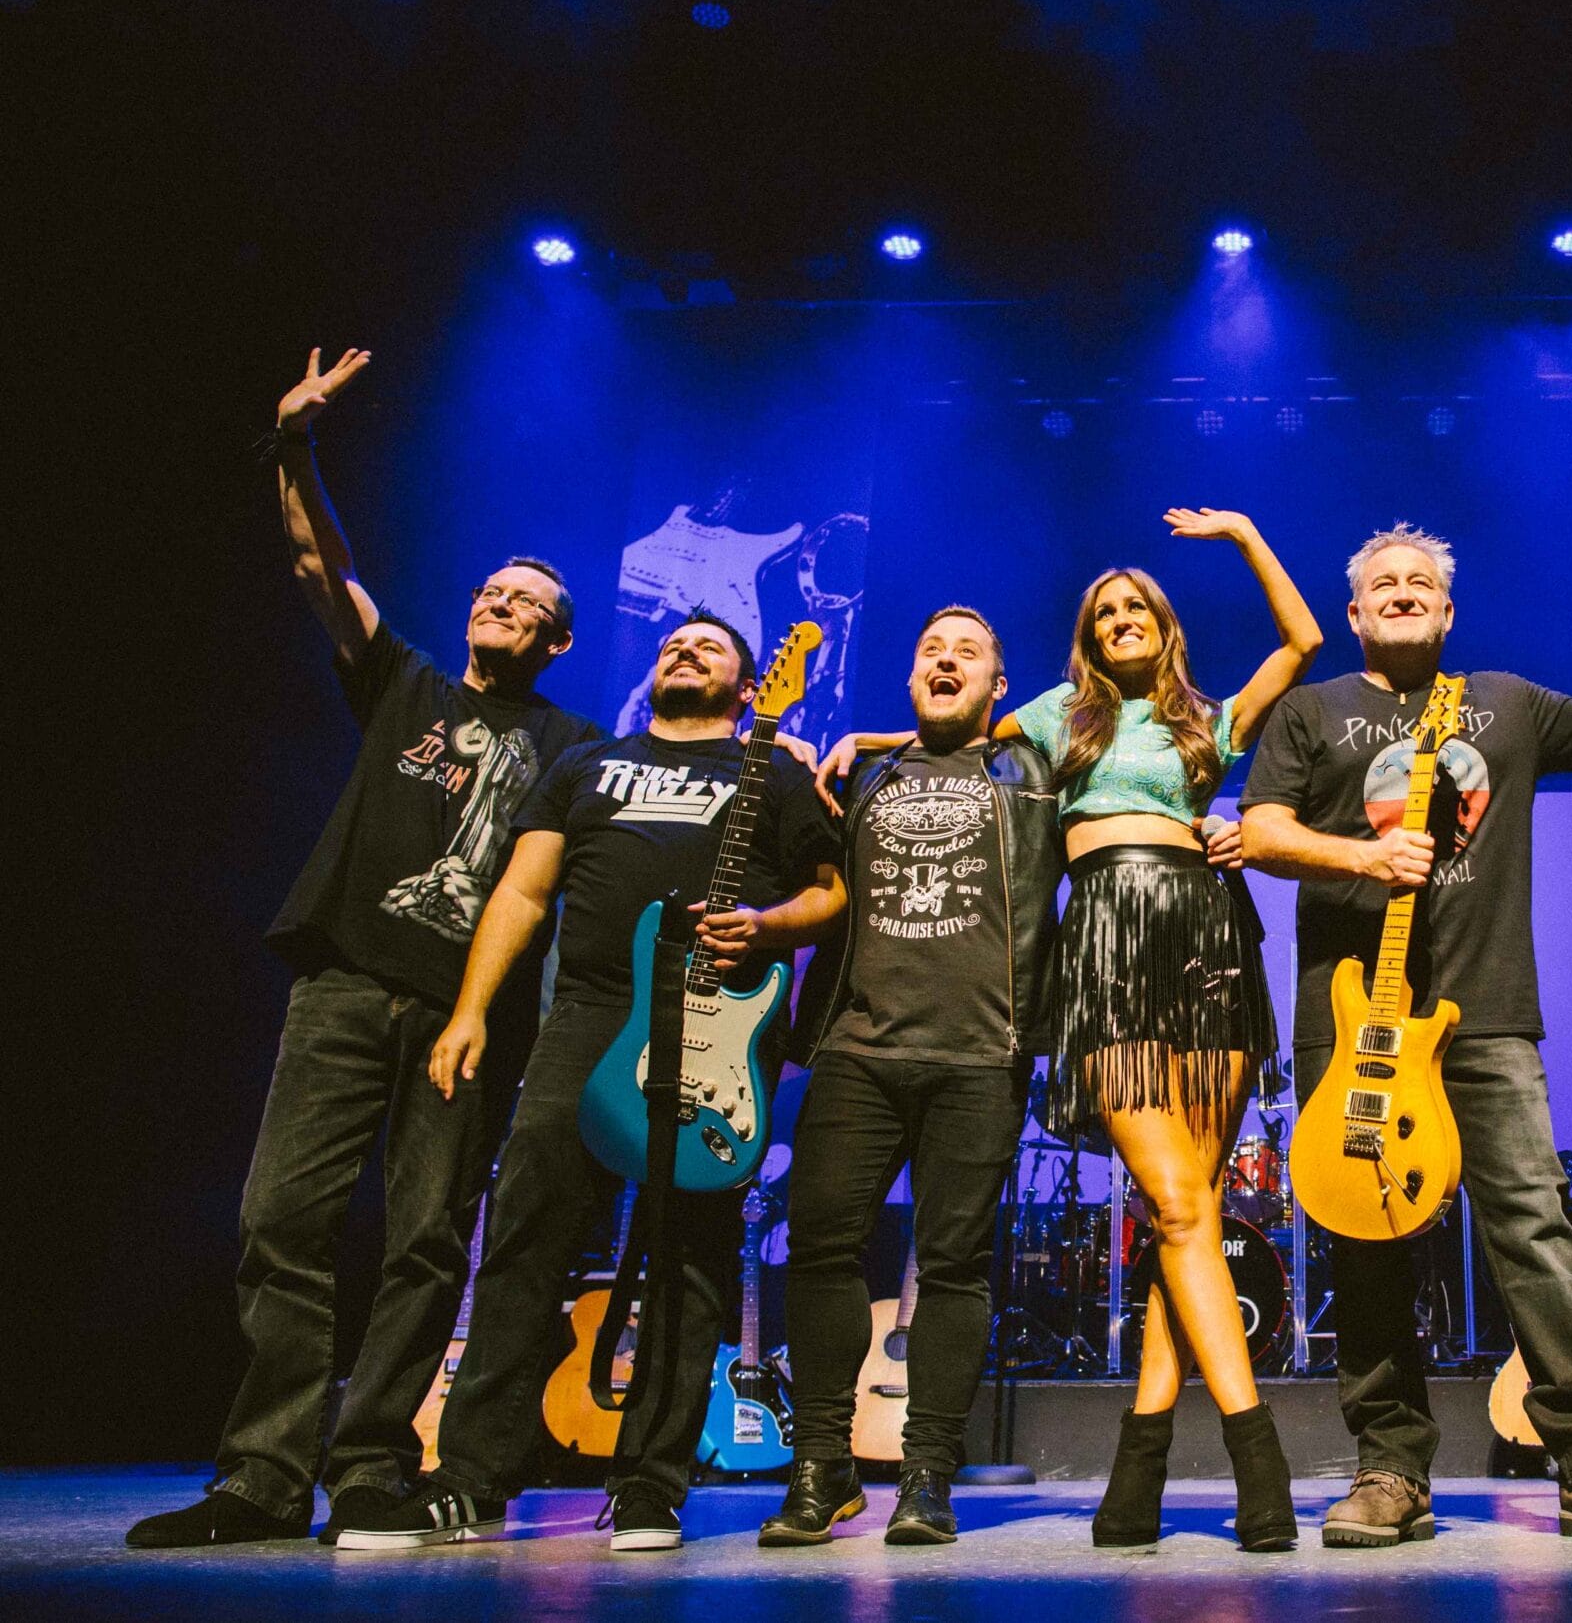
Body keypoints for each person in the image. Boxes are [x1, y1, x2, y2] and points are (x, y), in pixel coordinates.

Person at [129, 352, 601, 1549]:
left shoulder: (572, 746)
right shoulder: (408, 689)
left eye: (523, 603)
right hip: (345, 985)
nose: (496, 604)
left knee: (427, 1235)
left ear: (556, 640)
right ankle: (263, 1474)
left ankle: (376, 1461)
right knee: (279, 1217)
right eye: (489, 590)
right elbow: (318, 563)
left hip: (468, 1013)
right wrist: (294, 445)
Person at [816, 508, 1320, 1550]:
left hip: (1207, 939)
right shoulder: (1056, 715)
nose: (1122, 618)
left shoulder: (1206, 719)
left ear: (1162, 624)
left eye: (1136, 606)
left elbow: (1305, 642)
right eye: (1104, 612)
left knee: (1193, 1214)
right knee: (1181, 1209)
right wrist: (855, 741)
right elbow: (942, 738)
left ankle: (1134, 1476)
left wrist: (1241, 535)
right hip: (1104, 943)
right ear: (1087, 637)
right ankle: (1254, 1454)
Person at [1238, 523, 1572, 1546]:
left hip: (1487, 1013)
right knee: (1365, 1240)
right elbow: (1262, 830)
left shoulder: (1505, 698)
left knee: (1532, 1229)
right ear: (1355, 611)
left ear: (1447, 611)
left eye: (1421, 583)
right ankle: (1389, 1468)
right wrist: (1363, 858)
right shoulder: (1311, 710)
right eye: (1382, 584)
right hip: (1353, 1021)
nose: (1402, 592)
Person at [338, 611, 842, 1553]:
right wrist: (471, 1011)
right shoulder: (587, 767)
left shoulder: (770, 767)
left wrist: (769, 927)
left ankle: (651, 1486)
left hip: (716, 1030)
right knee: (524, 1244)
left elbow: (831, 891)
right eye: (671, 645)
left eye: (709, 646)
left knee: (691, 1258)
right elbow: (523, 893)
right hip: (586, 1022)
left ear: (750, 686)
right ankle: (473, 1479)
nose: (683, 650)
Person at [758, 606, 1065, 1549]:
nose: (945, 659)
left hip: (981, 1053)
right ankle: (821, 1467)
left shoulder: (1036, 772)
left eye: (968, 652)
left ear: (998, 687)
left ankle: (928, 1476)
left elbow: (1084, 700)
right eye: (930, 648)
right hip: (857, 1047)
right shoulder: (861, 775)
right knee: (818, 1250)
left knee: (955, 1266)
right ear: (907, 674)